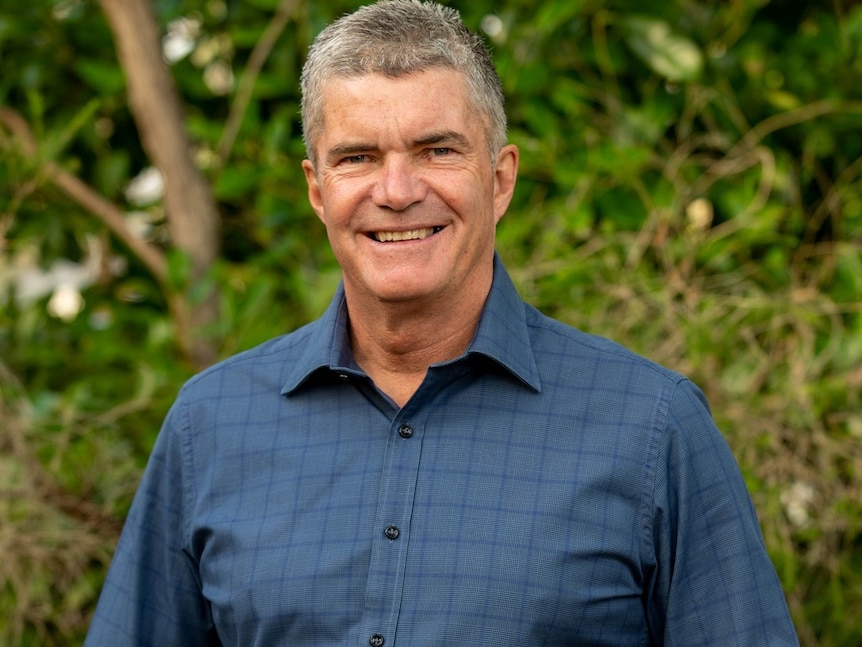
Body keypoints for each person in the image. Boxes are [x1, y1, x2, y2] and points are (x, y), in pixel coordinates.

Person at [85, 1, 800, 645]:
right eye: (358, 157)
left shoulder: (652, 428)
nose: (397, 192)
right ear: (317, 188)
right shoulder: (209, 425)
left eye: (437, 149)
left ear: (500, 178)